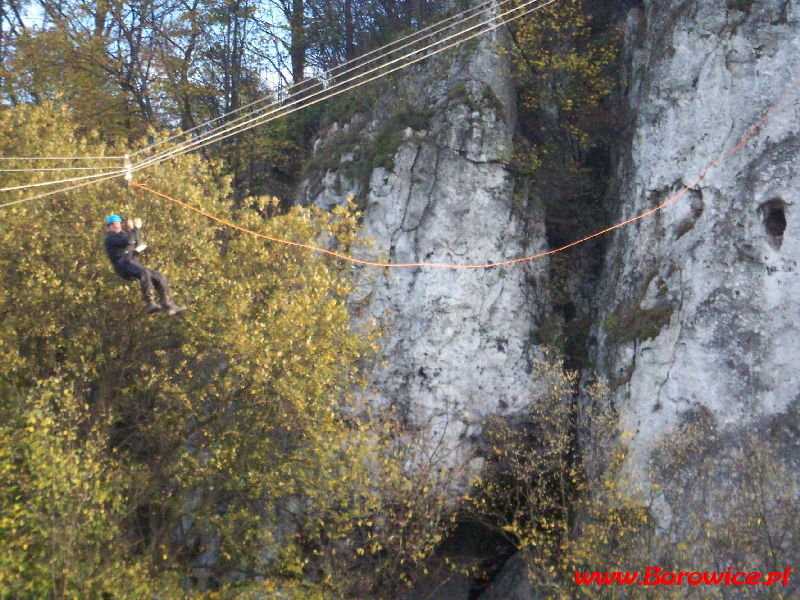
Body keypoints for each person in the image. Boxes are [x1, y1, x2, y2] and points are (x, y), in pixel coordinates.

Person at [104, 214, 187, 315]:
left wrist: (135, 231)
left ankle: (169, 305)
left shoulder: (124, 234)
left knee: (159, 277)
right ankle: (150, 303)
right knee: (144, 272)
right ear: (109, 227)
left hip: (131, 262)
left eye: (117, 224)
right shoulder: (110, 238)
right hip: (123, 266)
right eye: (113, 225)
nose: (116, 226)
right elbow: (127, 241)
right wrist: (134, 228)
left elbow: (136, 241)